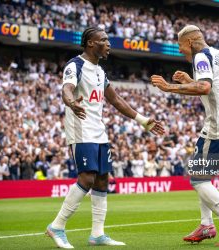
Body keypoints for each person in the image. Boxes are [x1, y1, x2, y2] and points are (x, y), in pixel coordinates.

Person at [46, 27, 164, 249]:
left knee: (102, 179)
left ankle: (97, 234)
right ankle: (57, 226)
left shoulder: (100, 71)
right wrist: (71, 102)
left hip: (98, 130)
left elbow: (116, 99)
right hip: (81, 128)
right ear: (91, 43)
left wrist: (142, 120)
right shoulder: (75, 65)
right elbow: (67, 89)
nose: (109, 44)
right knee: (87, 178)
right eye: (104, 40)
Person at [151, 25, 219, 246]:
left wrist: (169, 88)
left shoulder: (201, 56)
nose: (179, 51)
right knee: (201, 173)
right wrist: (188, 81)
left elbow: (204, 87)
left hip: (218, 126)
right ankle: (206, 224)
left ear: (189, 42)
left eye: (179, 46)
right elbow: (216, 88)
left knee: (198, 177)